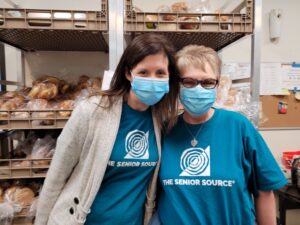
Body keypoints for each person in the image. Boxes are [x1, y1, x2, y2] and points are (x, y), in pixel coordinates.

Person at [35, 33, 180, 225]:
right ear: (129, 74)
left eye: (160, 73)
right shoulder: (93, 110)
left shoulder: (162, 120)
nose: (152, 79)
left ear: (169, 76)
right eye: (144, 72)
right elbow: (56, 176)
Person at [153, 45, 287, 225]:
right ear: (177, 85)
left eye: (208, 82)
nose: (198, 89)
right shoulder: (164, 130)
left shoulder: (238, 127)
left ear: (218, 86)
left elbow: (264, 191)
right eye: (189, 82)